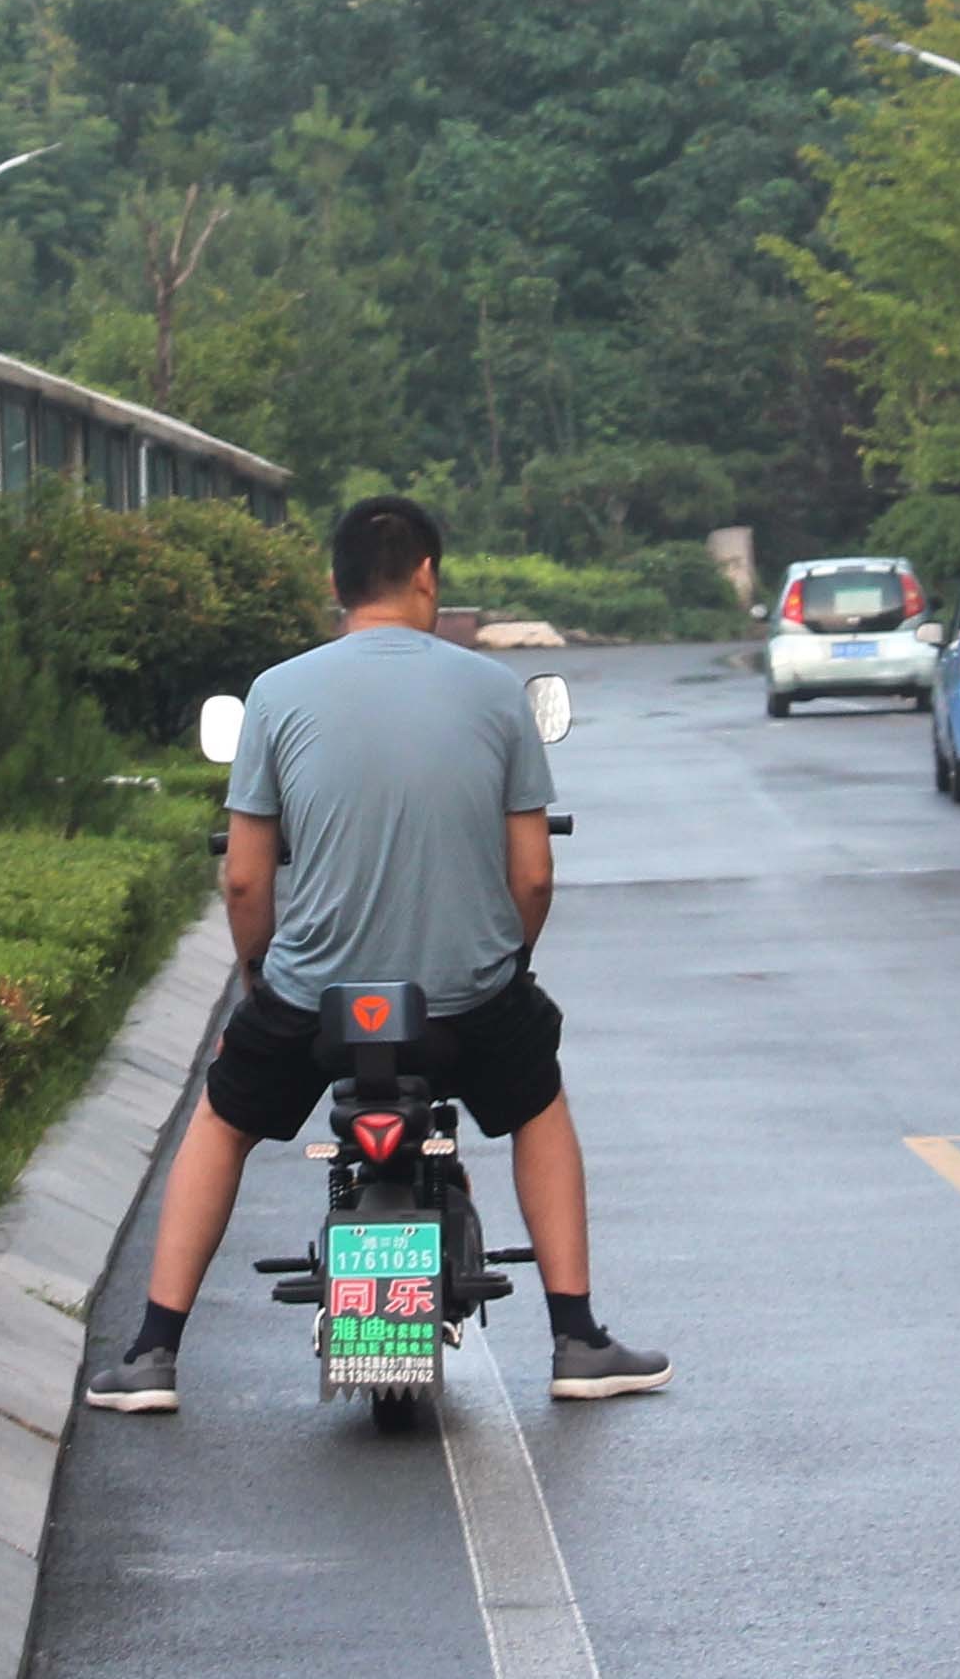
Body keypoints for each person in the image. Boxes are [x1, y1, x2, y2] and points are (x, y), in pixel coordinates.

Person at [85, 495, 668, 1414]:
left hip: (314, 998)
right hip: (465, 1000)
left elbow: (244, 882)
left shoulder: (277, 692)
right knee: (536, 1106)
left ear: (335, 586)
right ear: (428, 575)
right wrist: (506, 965)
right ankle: (577, 1338)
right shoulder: (493, 693)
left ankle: (153, 1352)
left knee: (224, 1120)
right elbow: (535, 874)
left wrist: (259, 978)